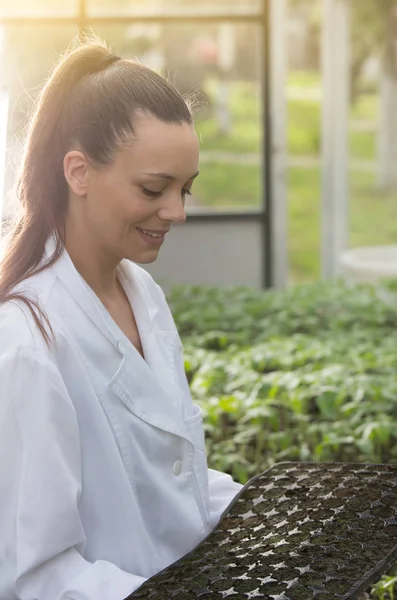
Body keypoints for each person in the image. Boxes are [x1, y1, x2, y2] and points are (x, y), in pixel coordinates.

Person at [0, 37, 242, 600]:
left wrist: (272, 515)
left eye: (186, 189)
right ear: (79, 172)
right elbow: (35, 576)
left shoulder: (143, 293)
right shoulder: (25, 342)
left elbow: (171, 476)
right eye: (154, 188)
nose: (177, 212)